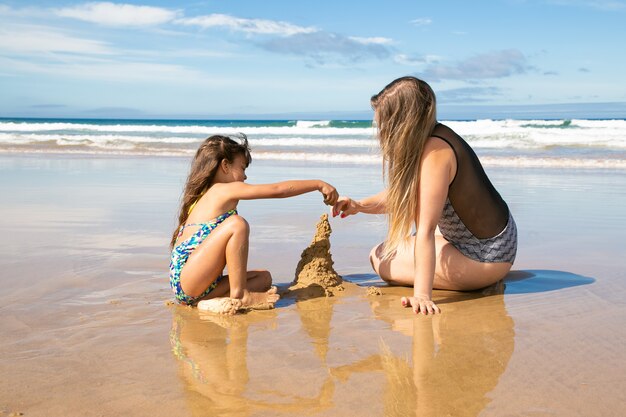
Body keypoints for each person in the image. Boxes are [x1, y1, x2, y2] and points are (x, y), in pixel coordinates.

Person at [332, 76, 517, 315]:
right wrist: (359, 205)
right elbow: (407, 195)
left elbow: (426, 229)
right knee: (404, 243)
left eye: (384, 123)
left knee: (379, 257)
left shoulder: (435, 153)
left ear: (401, 121)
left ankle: (476, 280)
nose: (381, 130)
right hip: (498, 241)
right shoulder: (438, 136)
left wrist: (422, 294)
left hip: (485, 258)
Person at [170, 134, 338, 310]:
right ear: (225, 166)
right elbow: (277, 190)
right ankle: (240, 295)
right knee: (237, 224)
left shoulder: (204, 195)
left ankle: (204, 303)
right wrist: (318, 184)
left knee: (264, 279)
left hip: (194, 285)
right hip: (189, 280)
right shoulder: (222, 190)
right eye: (242, 168)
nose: (245, 176)